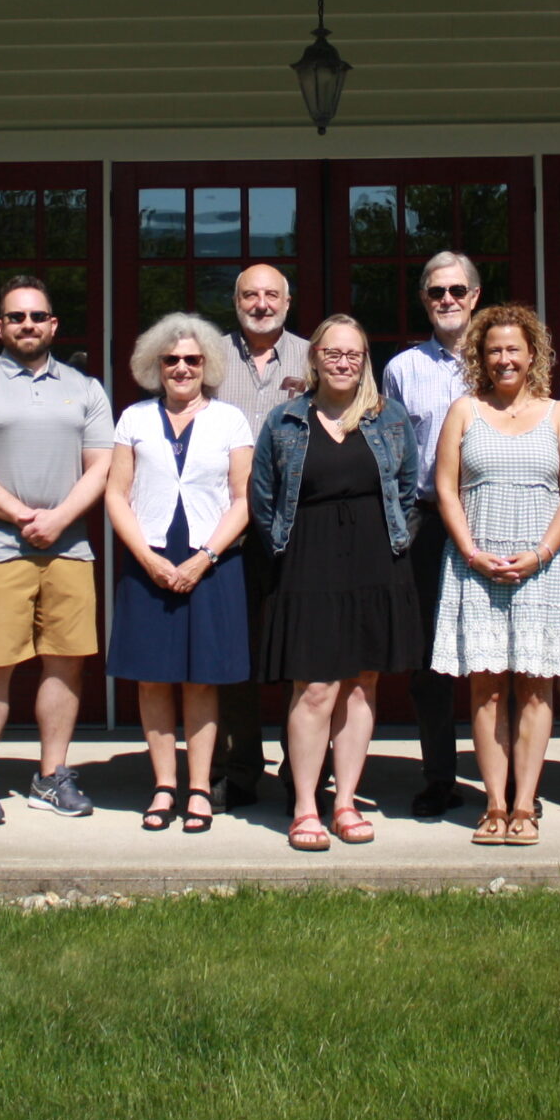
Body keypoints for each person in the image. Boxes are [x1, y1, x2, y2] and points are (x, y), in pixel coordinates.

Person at [249, 315, 421, 851]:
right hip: (308, 563)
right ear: (316, 358)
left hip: (375, 562)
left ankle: (345, 801)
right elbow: (262, 497)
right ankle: (306, 806)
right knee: (316, 686)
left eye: (354, 354)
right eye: (333, 353)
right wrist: (286, 547)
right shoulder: (285, 421)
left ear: (365, 359)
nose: (343, 362)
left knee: (361, 683)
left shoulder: (389, 418)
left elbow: (411, 492)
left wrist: (394, 543)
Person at [0, 275, 115, 825]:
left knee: (65, 663)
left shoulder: (86, 388)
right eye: (16, 317)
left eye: (37, 316)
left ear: (53, 324)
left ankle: (52, 775)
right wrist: (22, 516)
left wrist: (61, 519)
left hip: (69, 549)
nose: (27, 325)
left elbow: (101, 467)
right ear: (0, 326)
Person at [430, 303, 560, 847]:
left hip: (542, 566)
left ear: (532, 355)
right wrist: (472, 552)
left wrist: (542, 553)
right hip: (476, 566)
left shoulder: (558, 414)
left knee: (537, 686)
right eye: (494, 349)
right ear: (481, 356)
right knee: (487, 688)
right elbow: (447, 489)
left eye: (513, 349)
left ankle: (526, 804)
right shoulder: (464, 412)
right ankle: (494, 804)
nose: (504, 359)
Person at [105, 313, 255, 835]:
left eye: (192, 359)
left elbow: (243, 498)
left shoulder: (231, 420)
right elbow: (115, 495)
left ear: (207, 364)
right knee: (153, 677)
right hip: (149, 558)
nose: (182, 368)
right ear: (155, 365)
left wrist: (204, 558)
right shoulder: (133, 419)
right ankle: (163, 784)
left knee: (201, 679)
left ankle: (198, 786)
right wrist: (148, 559)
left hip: (211, 561)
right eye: (171, 360)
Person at [379, 249, 483, 818]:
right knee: (430, 659)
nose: (447, 301)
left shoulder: (498, 358)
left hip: (492, 516)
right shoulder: (401, 369)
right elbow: (392, 451)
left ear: (474, 296)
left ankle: (510, 781)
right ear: (424, 300)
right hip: (424, 521)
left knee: (498, 650)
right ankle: (439, 776)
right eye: (436, 292)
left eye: (457, 291)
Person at [211, 263, 310, 809]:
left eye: (272, 295)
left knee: (301, 649)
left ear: (288, 302)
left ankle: (302, 768)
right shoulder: (209, 355)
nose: (262, 303)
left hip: (297, 526)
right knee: (236, 654)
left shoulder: (314, 353)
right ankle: (240, 768)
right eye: (251, 294)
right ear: (236, 301)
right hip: (228, 528)